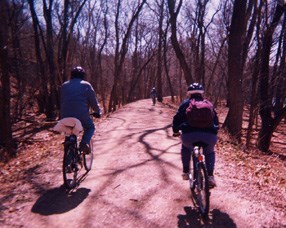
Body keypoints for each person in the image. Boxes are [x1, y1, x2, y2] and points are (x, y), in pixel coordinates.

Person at [172, 82, 219, 187]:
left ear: (189, 93)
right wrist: (214, 131)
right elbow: (216, 121)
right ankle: (210, 176)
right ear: (202, 93)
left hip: (189, 136)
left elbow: (176, 119)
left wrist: (175, 130)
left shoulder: (185, 104)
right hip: (209, 136)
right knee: (210, 152)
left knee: (186, 148)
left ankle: (185, 171)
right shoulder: (209, 104)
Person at [60, 66, 102, 154]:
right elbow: (93, 101)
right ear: (83, 75)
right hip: (81, 115)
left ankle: (68, 146)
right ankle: (84, 143)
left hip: (65, 114)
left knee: (69, 129)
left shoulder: (64, 85)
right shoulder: (86, 85)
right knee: (90, 127)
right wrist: (98, 112)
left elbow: (62, 101)